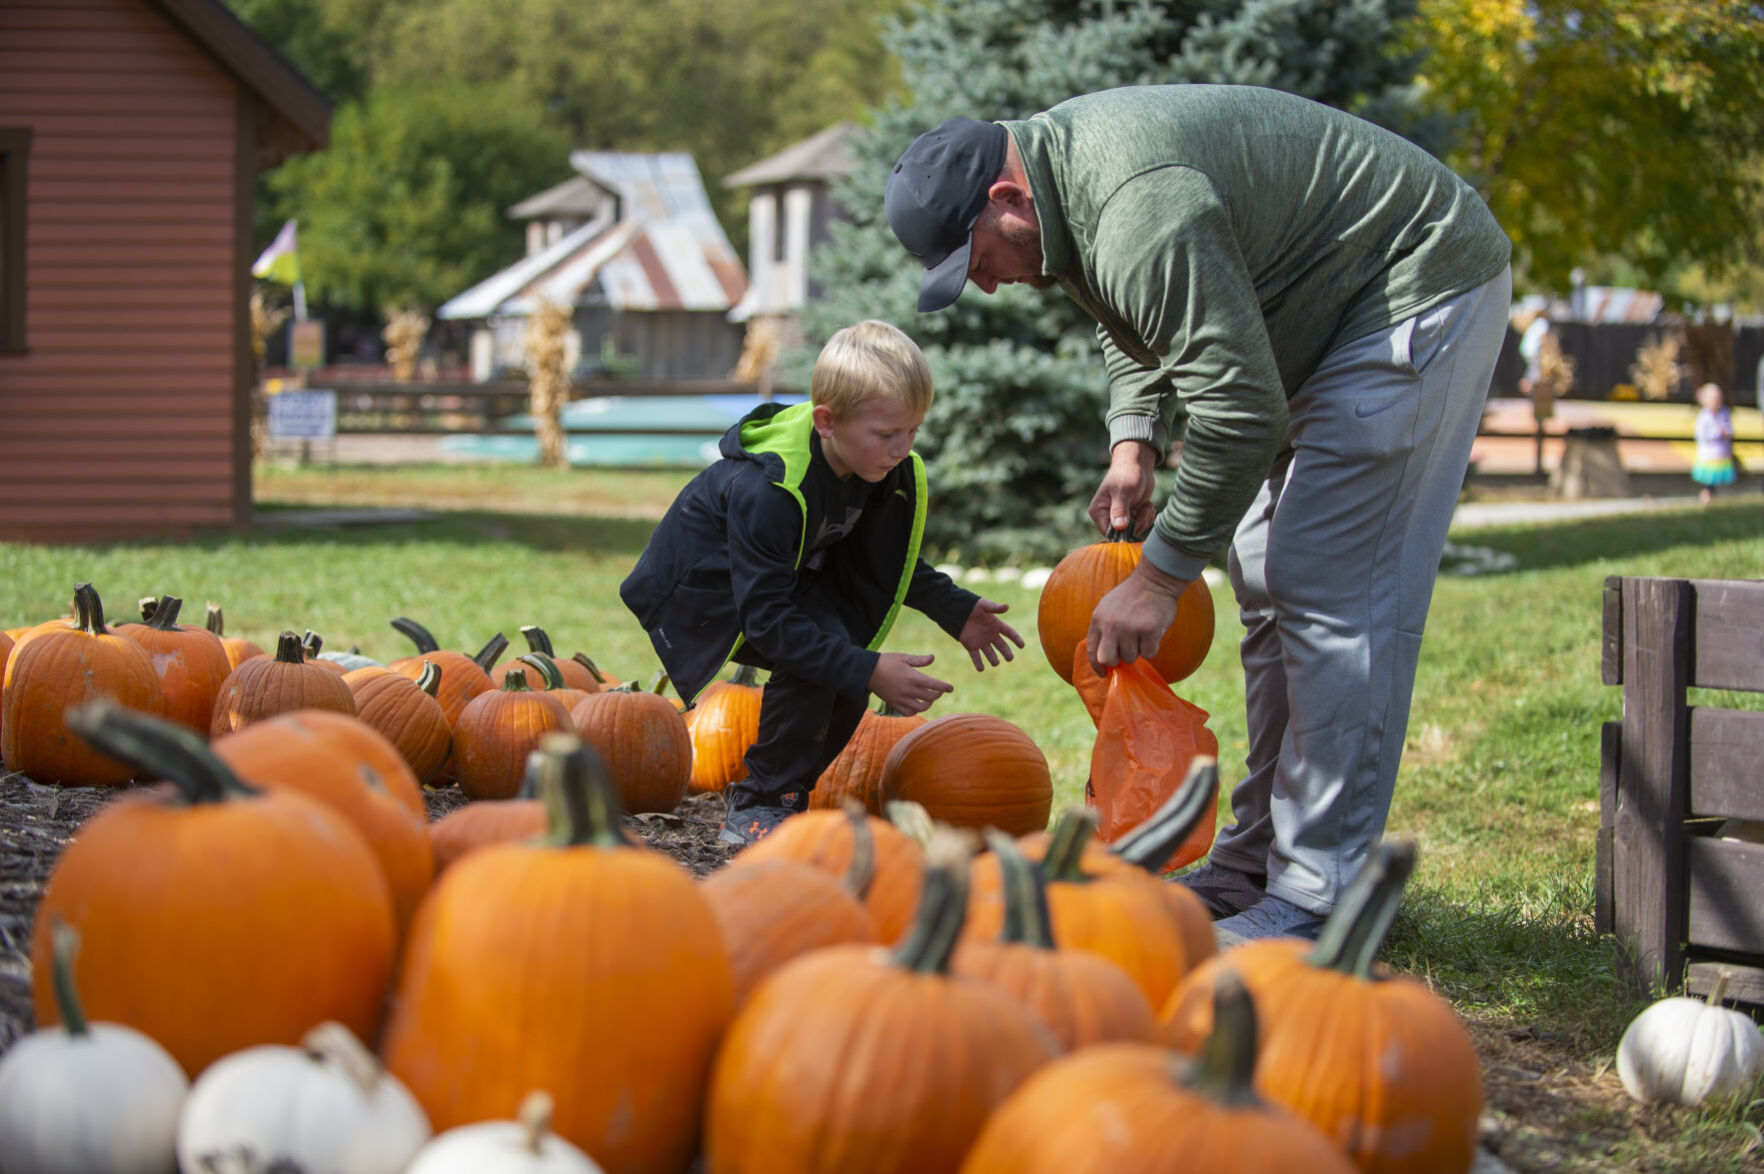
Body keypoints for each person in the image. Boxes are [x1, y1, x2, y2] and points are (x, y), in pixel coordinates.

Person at [886, 84, 1513, 940]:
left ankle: (1324, 898)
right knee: (1263, 570)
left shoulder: (1136, 203)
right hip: (1315, 316)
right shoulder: (1060, 193)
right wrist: (1133, 438)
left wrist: (1160, 579)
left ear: (1005, 200)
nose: (988, 288)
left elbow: (1241, 410)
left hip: (1410, 284)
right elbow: (1124, 307)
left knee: (1329, 588)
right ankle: (1261, 859)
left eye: (978, 259)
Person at [620, 320, 1025, 846]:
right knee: (827, 656)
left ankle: (785, 799)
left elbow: (883, 560)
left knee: (842, 659)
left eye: (913, 431)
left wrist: (955, 608)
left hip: (785, 578)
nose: (903, 447)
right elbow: (767, 624)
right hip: (703, 591)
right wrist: (868, 668)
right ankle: (760, 803)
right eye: (887, 434)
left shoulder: (871, 467)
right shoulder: (768, 490)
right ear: (828, 422)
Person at [1691, 381, 1736, 504]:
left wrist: (1726, 432)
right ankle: (1707, 497)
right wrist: (1717, 433)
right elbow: (1700, 435)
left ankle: (1713, 498)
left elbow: (1730, 429)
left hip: (1721, 452)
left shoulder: (1724, 413)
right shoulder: (1704, 416)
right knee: (1709, 481)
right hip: (1709, 454)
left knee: (1715, 481)